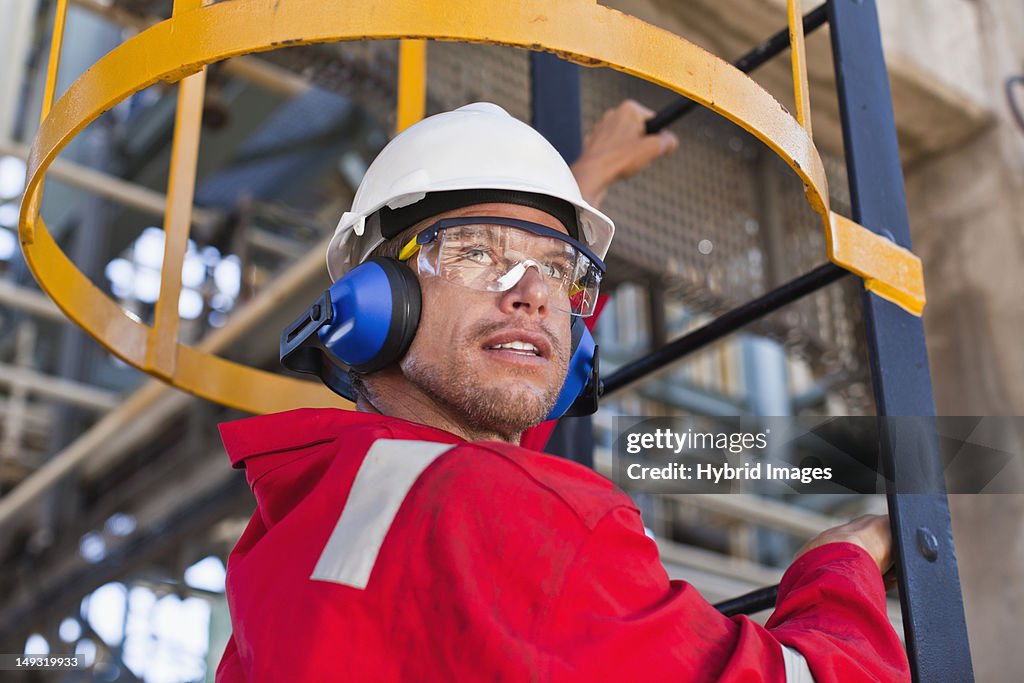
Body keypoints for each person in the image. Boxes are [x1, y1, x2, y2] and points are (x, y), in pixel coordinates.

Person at [216, 100, 910, 682]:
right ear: (376, 302)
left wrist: (587, 180)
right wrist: (840, 567)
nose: (535, 298)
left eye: (557, 270)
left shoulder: (296, 528)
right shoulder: (520, 515)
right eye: (477, 253)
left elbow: (470, 474)